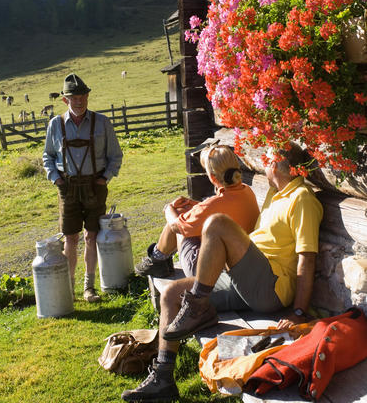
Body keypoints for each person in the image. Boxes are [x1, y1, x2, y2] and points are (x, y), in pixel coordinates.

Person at [121, 142, 323, 402]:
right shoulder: (277, 193)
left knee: (216, 223)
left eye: (267, 158)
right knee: (171, 293)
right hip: (246, 279)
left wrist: (298, 312)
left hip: (271, 287)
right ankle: (163, 376)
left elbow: (307, 259)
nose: (263, 162)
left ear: (275, 165)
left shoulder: (302, 199)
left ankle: (198, 307)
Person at [43, 73, 123, 302]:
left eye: (82, 97)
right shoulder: (55, 125)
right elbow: (47, 156)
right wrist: (56, 179)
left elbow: (115, 156)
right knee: (70, 238)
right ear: (65, 100)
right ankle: (69, 288)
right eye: (73, 98)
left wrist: (104, 178)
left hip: (94, 186)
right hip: (67, 187)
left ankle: (89, 287)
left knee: (92, 235)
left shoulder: (102, 123)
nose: (79, 101)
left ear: (87, 97)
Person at [134, 144, 260, 279]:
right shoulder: (246, 190)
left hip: (206, 270)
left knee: (178, 218)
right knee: (184, 212)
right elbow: (222, 209)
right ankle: (158, 257)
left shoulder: (214, 204)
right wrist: (196, 206)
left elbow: (176, 226)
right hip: (237, 259)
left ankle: (157, 258)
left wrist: (168, 209)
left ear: (212, 177)